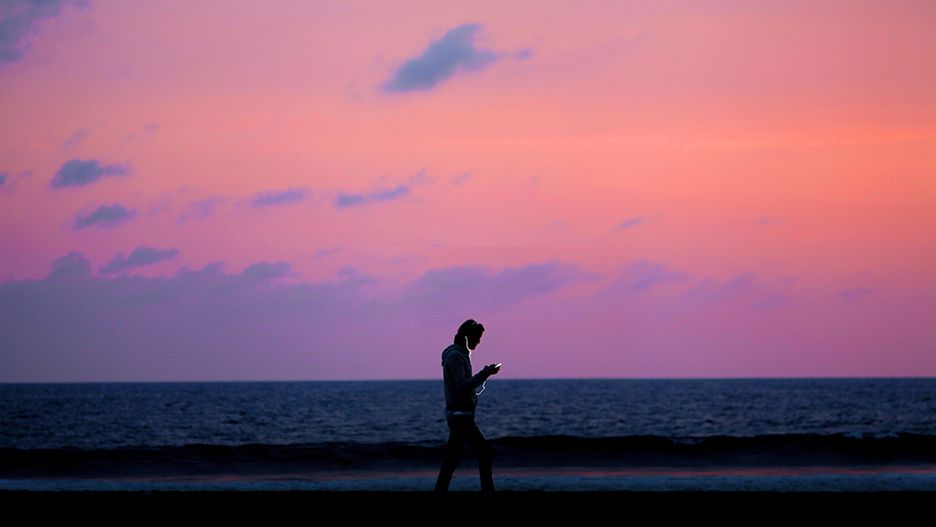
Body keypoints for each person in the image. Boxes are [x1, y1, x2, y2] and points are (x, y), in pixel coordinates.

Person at [434, 318, 501, 492]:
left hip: (459, 415)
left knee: (451, 461)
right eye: (476, 338)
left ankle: (439, 493)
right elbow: (462, 385)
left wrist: (485, 374)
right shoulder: (456, 357)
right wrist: (484, 374)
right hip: (460, 416)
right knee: (484, 452)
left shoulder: (460, 355)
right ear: (467, 337)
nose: (478, 342)